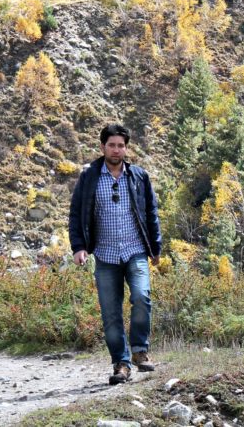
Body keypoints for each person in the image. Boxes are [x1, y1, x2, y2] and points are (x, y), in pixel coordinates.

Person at [69, 123, 162, 385]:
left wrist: (155, 247)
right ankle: (121, 364)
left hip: (135, 251)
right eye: (111, 145)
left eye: (121, 145)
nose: (116, 150)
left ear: (126, 148)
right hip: (105, 255)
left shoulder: (139, 176)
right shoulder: (89, 177)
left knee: (142, 297)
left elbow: (151, 213)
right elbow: (76, 214)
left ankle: (140, 351)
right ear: (102, 147)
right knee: (111, 313)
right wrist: (79, 247)